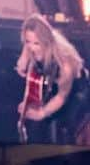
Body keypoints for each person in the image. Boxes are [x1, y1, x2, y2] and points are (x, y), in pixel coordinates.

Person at [15, 13, 88, 145]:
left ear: (46, 42)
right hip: (54, 81)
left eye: (36, 43)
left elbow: (61, 96)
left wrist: (42, 113)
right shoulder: (33, 43)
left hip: (78, 90)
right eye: (28, 42)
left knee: (67, 124)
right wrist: (24, 57)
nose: (31, 47)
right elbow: (30, 41)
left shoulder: (64, 63)